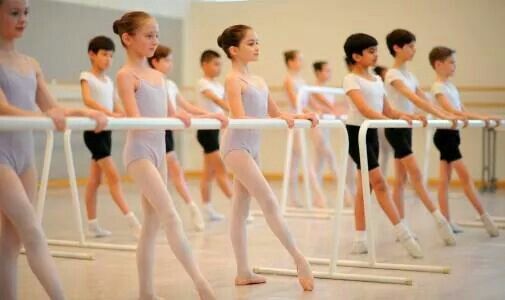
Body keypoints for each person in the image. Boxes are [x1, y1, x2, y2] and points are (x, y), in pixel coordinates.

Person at [0, 1, 107, 298]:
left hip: (24, 158)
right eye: (14, 13)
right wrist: (45, 117)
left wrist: (85, 113)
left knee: (11, 241)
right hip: (1, 158)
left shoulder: (30, 64)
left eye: (26, 12)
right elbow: (3, 108)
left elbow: (52, 107)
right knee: (33, 231)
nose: (22, 19)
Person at [113, 11, 219, 299]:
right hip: (139, 154)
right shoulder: (126, 75)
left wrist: (183, 116)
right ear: (127, 38)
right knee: (170, 215)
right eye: (148, 35)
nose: (154, 41)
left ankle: (146, 293)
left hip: (159, 151)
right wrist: (169, 119)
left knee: (151, 224)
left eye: (156, 35)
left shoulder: (159, 76)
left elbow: (170, 113)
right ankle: (202, 285)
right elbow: (137, 119)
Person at [218, 24, 314, 290]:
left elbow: (276, 114)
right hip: (236, 147)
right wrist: (272, 120)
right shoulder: (232, 80)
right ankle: (299, 259)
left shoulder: (259, 81)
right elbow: (238, 118)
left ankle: (243, 272)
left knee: (240, 209)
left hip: (252, 147)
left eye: (257, 42)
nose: (257, 47)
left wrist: (300, 115)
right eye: (250, 43)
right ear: (234, 50)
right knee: (269, 200)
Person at [342, 33, 423, 257]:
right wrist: (389, 122)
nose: (376, 55)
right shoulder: (351, 79)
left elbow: (388, 109)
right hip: (357, 133)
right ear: (356, 56)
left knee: (365, 187)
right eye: (371, 51)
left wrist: (407, 116)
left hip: (372, 133)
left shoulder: (377, 80)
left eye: (376, 50)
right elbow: (364, 109)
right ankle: (403, 234)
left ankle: (360, 239)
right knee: (379, 183)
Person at [429, 46, 501, 237]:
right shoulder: (438, 87)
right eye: (451, 62)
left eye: (454, 62)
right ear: (438, 64)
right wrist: (480, 116)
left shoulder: (451, 86)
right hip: (444, 137)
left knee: (444, 180)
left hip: (453, 135)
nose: (454, 66)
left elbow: (461, 108)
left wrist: (481, 117)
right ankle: (485, 218)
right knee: (466, 178)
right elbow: (451, 110)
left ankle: (446, 222)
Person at [80, 35, 141, 238]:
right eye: (104, 54)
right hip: (94, 133)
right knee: (114, 176)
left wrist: (122, 114)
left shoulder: (108, 81)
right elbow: (88, 100)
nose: (108, 59)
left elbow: (116, 104)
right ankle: (133, 222)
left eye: (111, 56)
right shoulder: (86, 77)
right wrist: (108, 112)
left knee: (94, 181)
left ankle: (92, 224)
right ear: (92, 54)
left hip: (107, 132)